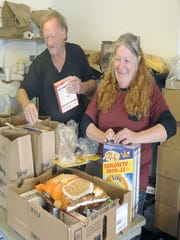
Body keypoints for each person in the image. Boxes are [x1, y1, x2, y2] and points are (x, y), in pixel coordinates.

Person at [80, 33, 176, 216]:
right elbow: (86, 123)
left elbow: (169, 126)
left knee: (128, 232)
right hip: (105, 179)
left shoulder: (149, 90)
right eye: (117, 59)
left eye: (126, 60)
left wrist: (136, 137)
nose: (120, 66)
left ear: (138, 61)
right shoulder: (105, 87)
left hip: (133, 183)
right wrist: (102, 136)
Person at [16, 10, 97, 125]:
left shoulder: (77, 53)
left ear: (64, 33)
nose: (49, 43)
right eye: (46, 37)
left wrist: (81, 87)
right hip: (49, 130)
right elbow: (21, 92)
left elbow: (94, 84)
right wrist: (26, 105)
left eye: (53, 37)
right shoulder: (40, 63)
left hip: (77, 128)